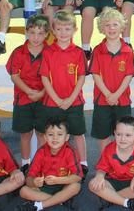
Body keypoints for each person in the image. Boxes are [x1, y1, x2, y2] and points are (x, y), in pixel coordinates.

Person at [39, 10, 88, 176]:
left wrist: (70, 99)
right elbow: (45, 78)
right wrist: (58, 99)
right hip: (53, 103)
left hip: (74, 102)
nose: (63, 33)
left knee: (78, 134)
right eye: (59, 29)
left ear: (74, 30)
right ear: (53, 30)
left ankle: (83, 163)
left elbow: (81, 77)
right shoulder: (47, 52)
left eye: (67, 29)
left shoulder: (79, 52)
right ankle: (50, 165)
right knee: (53, 135)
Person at [89, 7, 134, 152]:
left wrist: (116, 95)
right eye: (107, 25)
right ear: (102, 28)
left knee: (124, 134)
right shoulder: (98, 50)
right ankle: (105, 165)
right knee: (104, 135)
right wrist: (108, 95)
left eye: (115, 24)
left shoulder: (128, 51)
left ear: (122, 27)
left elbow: (129, 75)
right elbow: (95, 74)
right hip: (102, 100)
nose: (111, 28)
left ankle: (122, 163)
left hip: (122, 100)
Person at [6, 14, 49, 173]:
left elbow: (52, 77)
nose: (36, 37)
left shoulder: (50, 52)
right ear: (26, 32)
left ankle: (41, 164)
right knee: (25, 134)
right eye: (32, 33)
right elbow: (14, 75)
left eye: (40, 33)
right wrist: (29, 91)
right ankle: (25, 164)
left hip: (44, 99)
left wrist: (41, 93)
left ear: (46, 34)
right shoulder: (18, 52)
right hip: (23, 98)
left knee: (42, 134)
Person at [17, 117, 82, 211]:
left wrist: (58, 180)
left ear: (67, 137)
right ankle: (59, 201)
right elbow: (29, 178)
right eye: (51, 134)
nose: (55, 138)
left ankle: (39, 205)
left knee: (76, 186)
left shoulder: (70, 151)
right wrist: (34, 182)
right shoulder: (41, 152)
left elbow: (77, 176)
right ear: (45, 137)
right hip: (45, 186)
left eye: (59, 134)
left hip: (64, 184)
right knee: (23, 191)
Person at [89, 116, 134, 211]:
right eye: (119, 134)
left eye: (128, 135)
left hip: (131, 183)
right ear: (114, 133)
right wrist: (100, 176)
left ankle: (110, 198)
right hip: (112, 181)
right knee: (92, 184)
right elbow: (102, 167)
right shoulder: (109, 149)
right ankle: (126, 203)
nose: (123, 139)